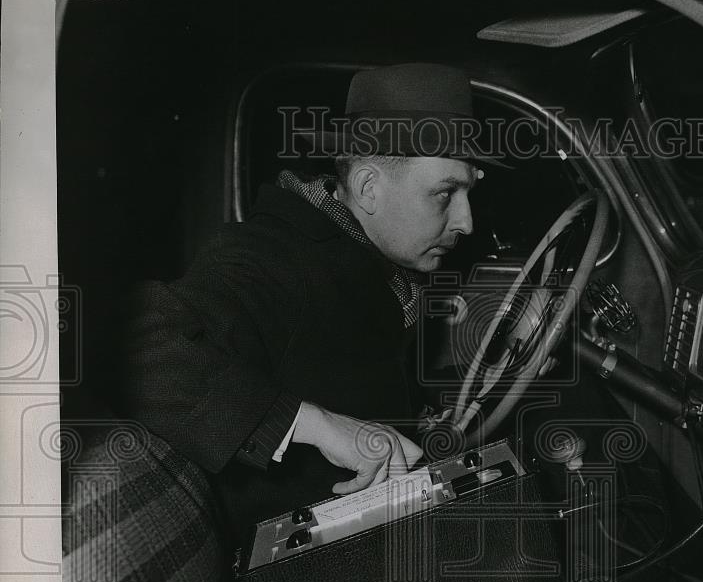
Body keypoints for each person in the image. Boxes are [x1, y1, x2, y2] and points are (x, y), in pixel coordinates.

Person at [111, 63, 494, 542]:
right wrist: (317, 425)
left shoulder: (373, 260)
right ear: (369, 188)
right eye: (445, 194)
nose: (466, 222)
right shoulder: (268, 258)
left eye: (469, 192)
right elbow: (128, 342)